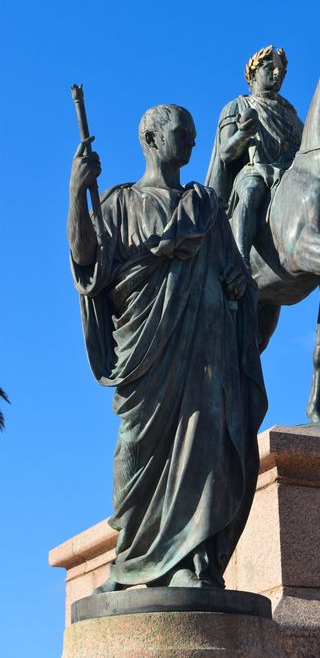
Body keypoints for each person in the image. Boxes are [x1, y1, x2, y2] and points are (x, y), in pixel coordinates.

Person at [67, 104, 267, 591]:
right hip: (145, 352)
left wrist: (238, 283)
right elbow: (87, 264)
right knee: (134, 448)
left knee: (202, 442)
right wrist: (77, 193)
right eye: (185, 133)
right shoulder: (116, 203)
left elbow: (233, 269)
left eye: (197, 134)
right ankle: (132, 557)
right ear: (152, 140)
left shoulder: (205, 206)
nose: (195, 142)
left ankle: (189, 559)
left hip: (204, 350)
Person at [206, 45, 304, 270]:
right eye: (270, 67)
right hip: (255, 169)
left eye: (281, 71)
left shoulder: (292, 115)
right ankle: (241, 257)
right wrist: (242, 134)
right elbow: (225, 151)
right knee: (251, 190)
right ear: (253, 72)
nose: (277, 73)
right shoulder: (237, 106)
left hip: (289, 172)